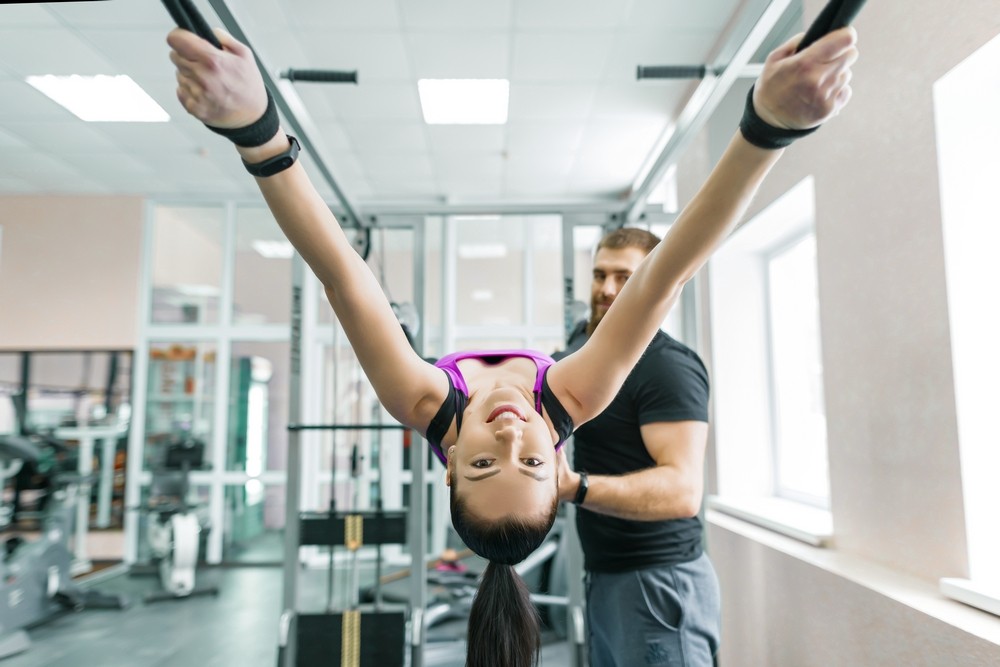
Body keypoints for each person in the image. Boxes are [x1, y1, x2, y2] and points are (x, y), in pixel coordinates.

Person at [166, 23, 857, 667]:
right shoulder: (572, 397)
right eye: (530, 460)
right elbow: (663, 275)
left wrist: (256, 132)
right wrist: (769, 127)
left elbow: (344, 277)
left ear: (448, 467)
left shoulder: (422, 400)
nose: (510, 434)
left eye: (482, 462)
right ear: (555, 459)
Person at [554, 227, 716, 666]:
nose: (607, 289)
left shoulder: (666, 367)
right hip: (605, 575)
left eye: (624, 277)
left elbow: (683, 491)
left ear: (654, 284)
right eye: (599, 275)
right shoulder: (590, 356)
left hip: (658, 582)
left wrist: (574, 487)